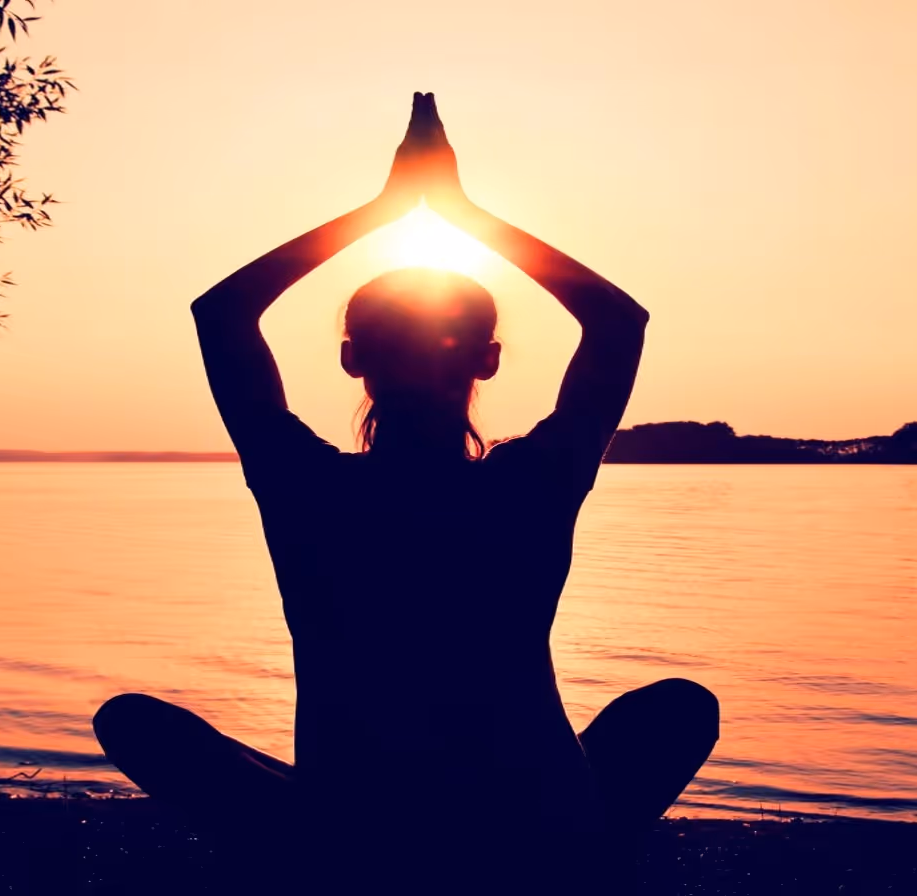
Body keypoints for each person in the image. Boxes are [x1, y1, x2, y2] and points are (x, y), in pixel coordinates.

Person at [93, 93, 719, 893]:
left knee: (135, 724)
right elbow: (617, 323)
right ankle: (578, 858)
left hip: (349, 839)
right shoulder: (535, 483)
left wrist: (381, 209)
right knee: (677, 708)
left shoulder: (303, 486)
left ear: (352, 358)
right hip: (537, 828)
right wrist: (464, 212)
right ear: (488, 361)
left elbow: (220, 315)